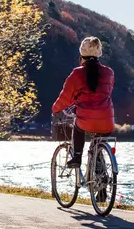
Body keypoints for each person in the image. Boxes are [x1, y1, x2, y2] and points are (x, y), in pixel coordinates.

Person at [52, 36, 115, 168]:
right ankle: (99, 171)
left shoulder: (77, 73)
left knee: (78, 127)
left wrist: (56, 109)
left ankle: (77, 157)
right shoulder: (109, 72)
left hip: (85, 120)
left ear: (82, 53)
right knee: (98, 141)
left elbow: (66, 96)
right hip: (107, 120)